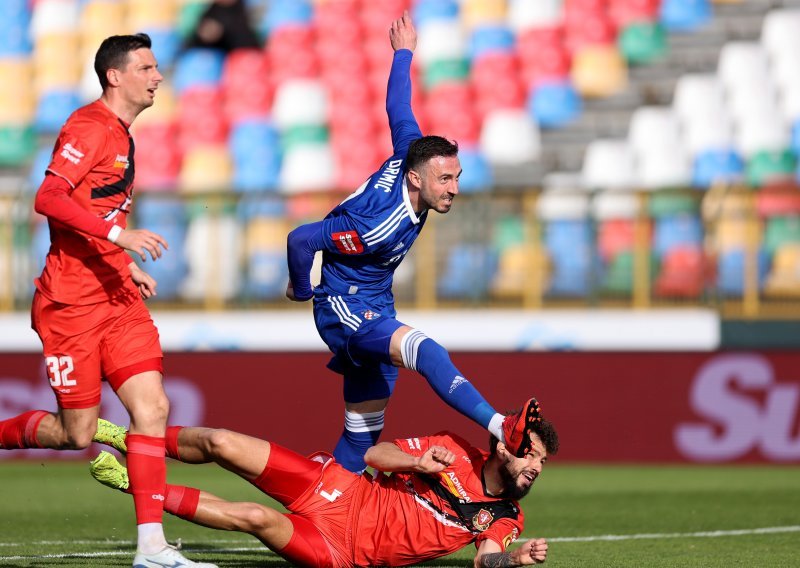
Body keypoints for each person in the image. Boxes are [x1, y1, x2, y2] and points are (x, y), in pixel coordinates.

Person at [0, 34, 214, 568]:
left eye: (157, 66)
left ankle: (152, 548)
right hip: (70, 305)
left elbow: (98, 212)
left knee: (153, 409)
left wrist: (125, 264)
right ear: (116, 76)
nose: (158, 76)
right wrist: (121, 242)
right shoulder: (88, 127)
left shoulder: (123, 135)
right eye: (146, 67)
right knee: (77, 434)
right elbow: (48, 198)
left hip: (116, 297)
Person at [286, 11, 508, 473]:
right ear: (415, 178)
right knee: (428, 351)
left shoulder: (410, 154)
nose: (453, 189)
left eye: (457, 177)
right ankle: (500, 425)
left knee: (361, 437)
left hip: (376, 303)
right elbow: (301, 238)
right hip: (343, 307)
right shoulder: (372, 225)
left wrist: (403, 53)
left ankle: (324, 507)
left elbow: (399, 110)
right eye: (444, 179)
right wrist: (302, 289)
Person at [89, 397, 559, 567]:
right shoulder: (453, 446)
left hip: (340, 551)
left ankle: (133, 483)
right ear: (504, 448)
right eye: (531, 455)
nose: (537, 467)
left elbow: (486, 561)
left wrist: (513, 560)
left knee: (253, 517)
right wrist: (416, 463)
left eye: (541, 461)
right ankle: (132, 440)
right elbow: (374, 453)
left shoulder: (505, 516)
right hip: (340, 489)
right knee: (222, 442)